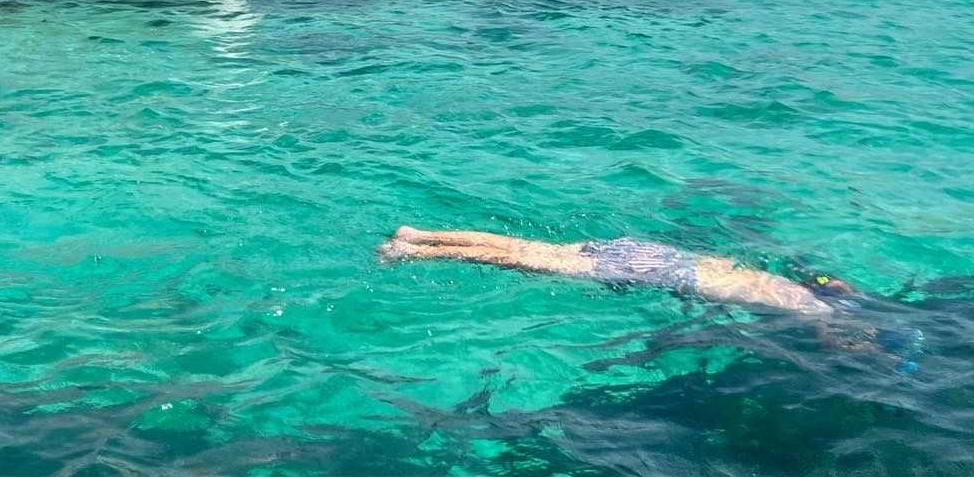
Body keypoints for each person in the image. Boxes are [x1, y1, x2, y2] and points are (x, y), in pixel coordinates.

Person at [379, 226, 922, 369]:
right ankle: (415, 253)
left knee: (533, 249)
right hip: (665, 272)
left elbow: (830, 282)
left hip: (664, 255)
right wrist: (868, 359)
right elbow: (828, 343)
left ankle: (419, 235)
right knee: (529, 259)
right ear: (871, 331)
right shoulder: (821, 316)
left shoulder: (840, 297)